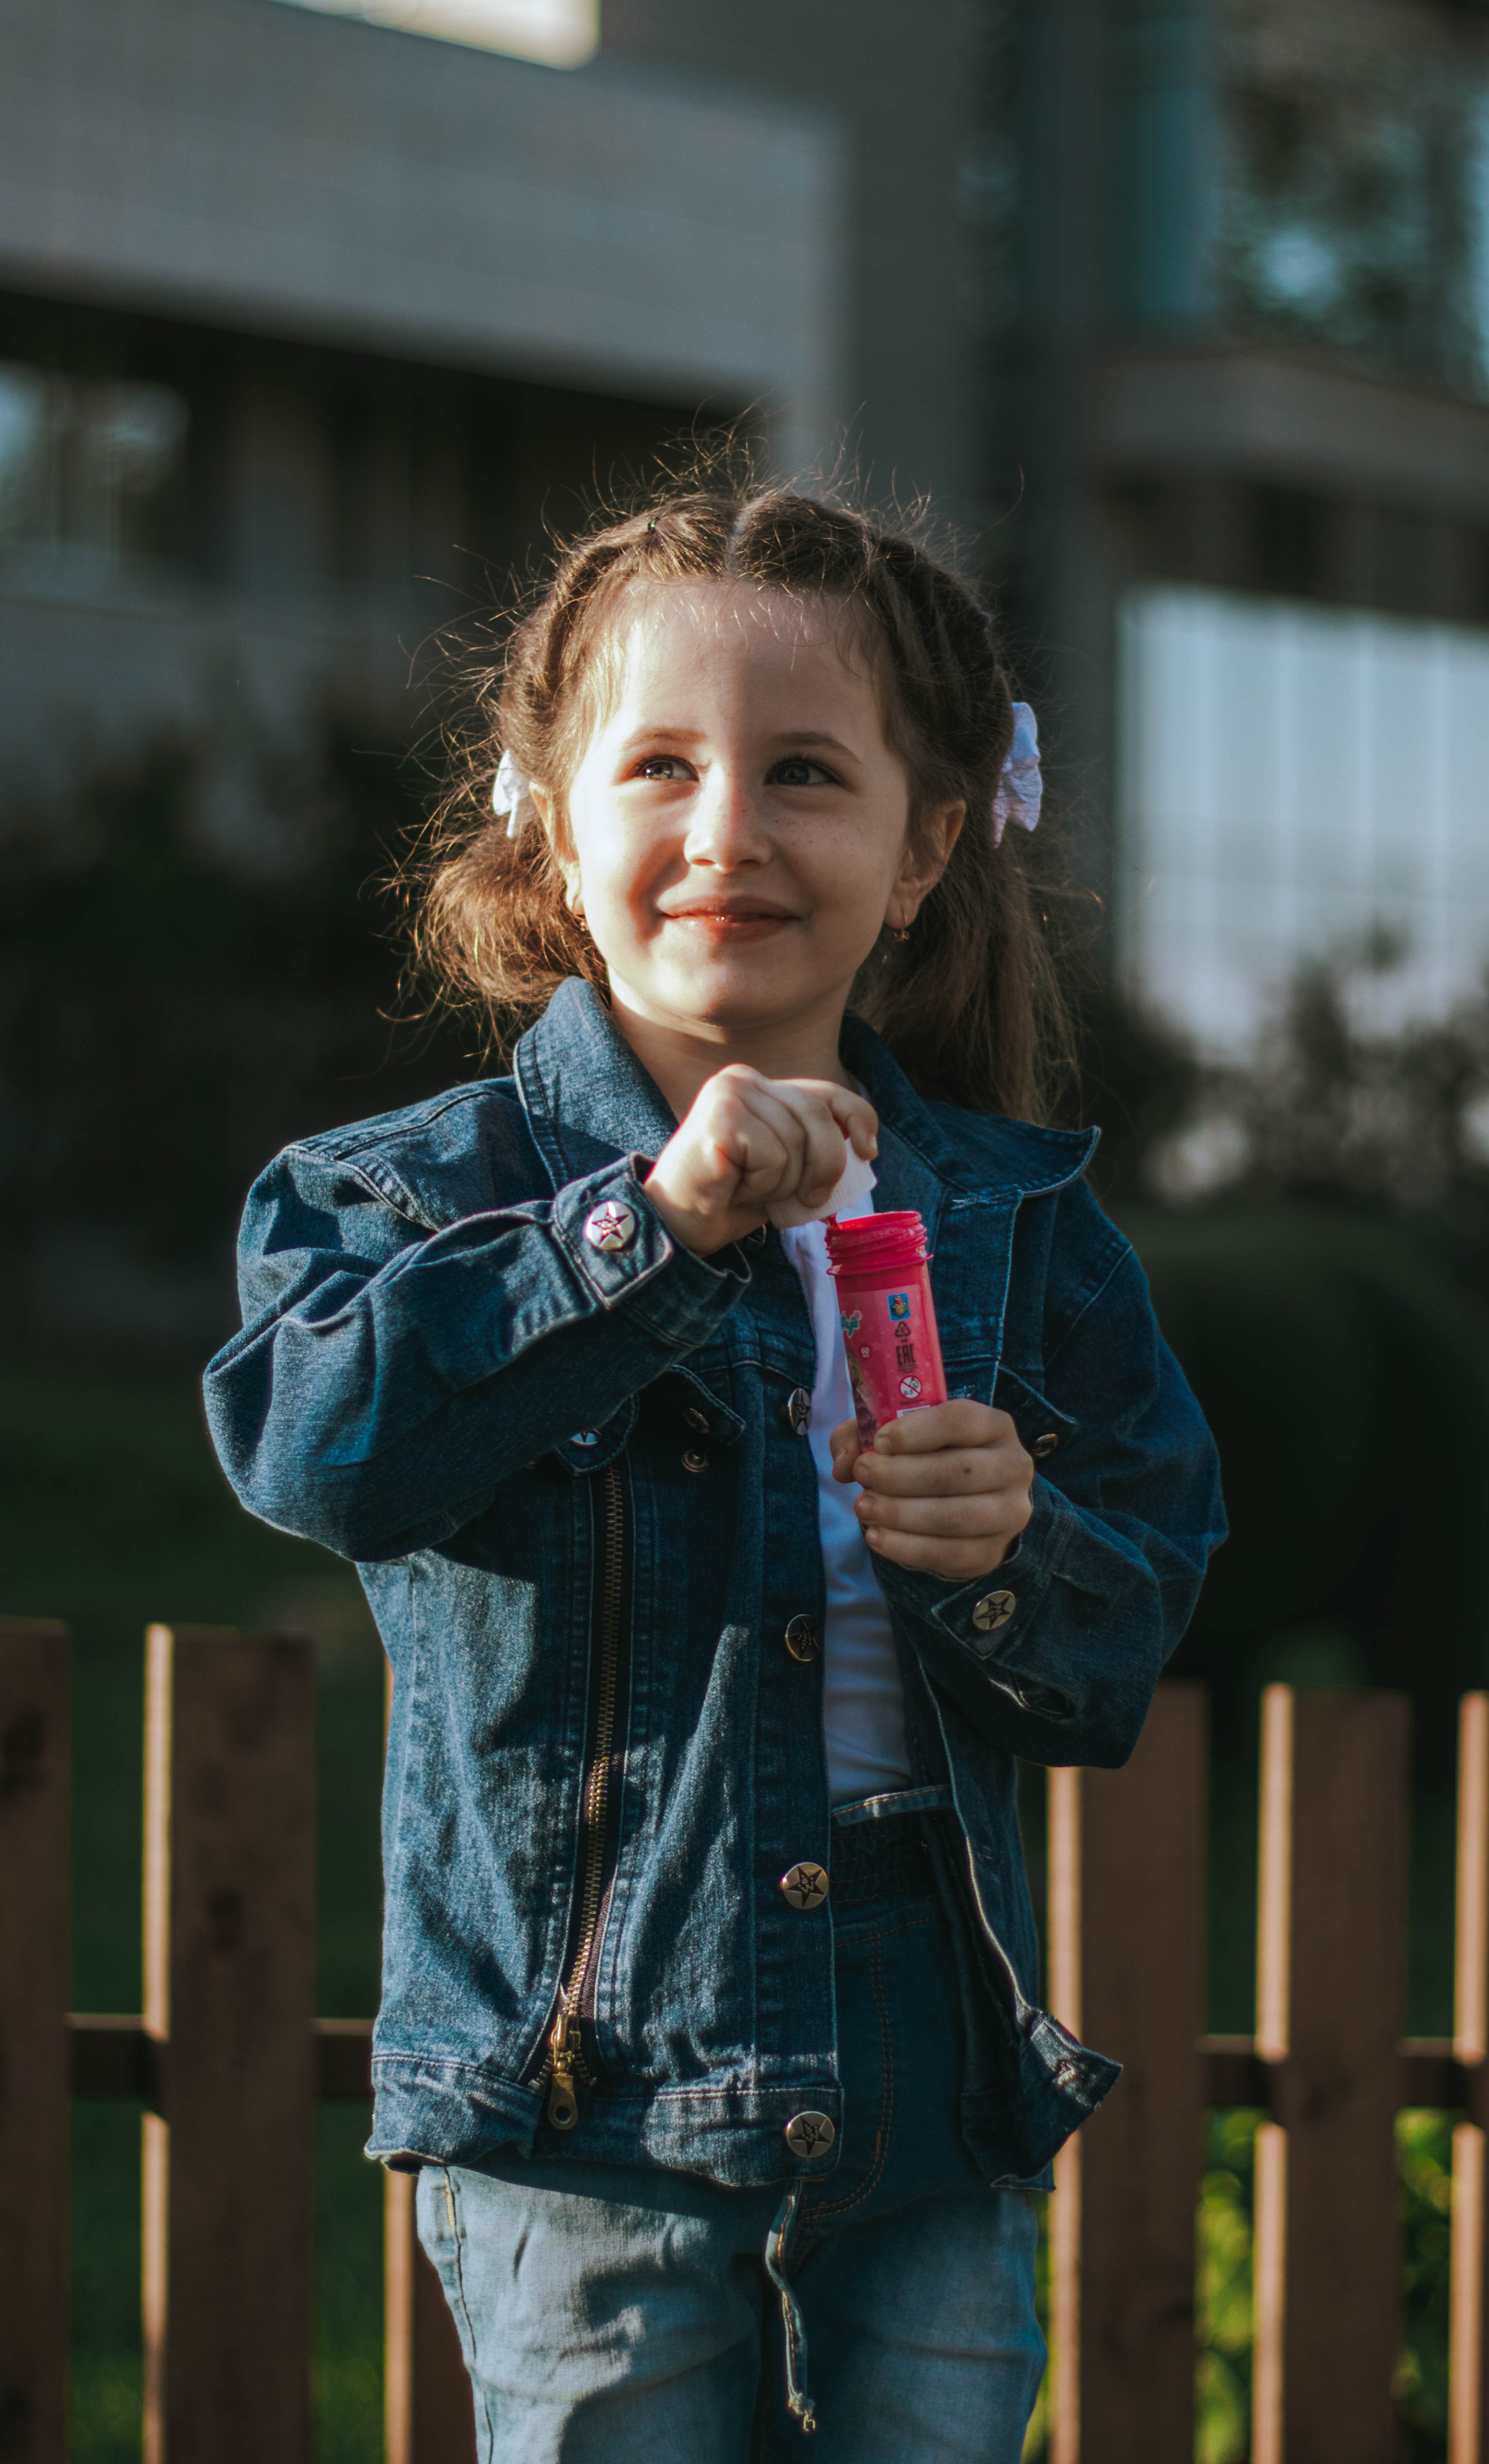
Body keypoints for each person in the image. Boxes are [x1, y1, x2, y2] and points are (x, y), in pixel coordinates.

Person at [203, 482, 1225, 2463]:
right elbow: (313, 1452)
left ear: (927, 845)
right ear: (554, 827)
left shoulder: (1026, 1228)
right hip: (582, 2121)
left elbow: (1123, 1640)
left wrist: (1018, 1548)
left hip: (929, 2108)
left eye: (807, 772)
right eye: (660, 765)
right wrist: (646, 1230)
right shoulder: (404, 1197)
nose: (730, 828)